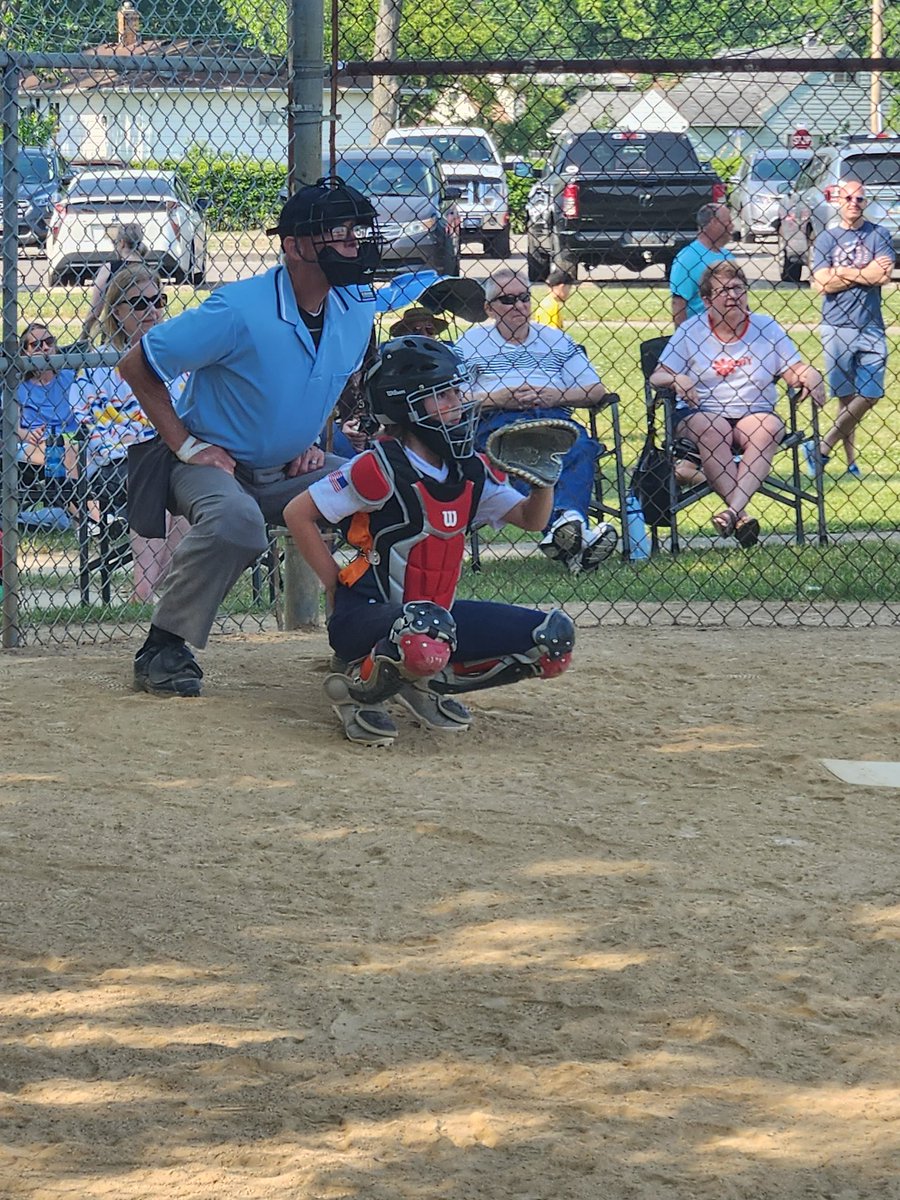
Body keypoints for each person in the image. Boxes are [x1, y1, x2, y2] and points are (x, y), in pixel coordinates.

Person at [117, 178, 381, 697]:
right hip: (209, 466)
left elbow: (329, 378)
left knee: (378, 492)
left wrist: (311, 440)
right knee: (237, 522)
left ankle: (366, 631)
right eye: (339, 232)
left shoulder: (355, 307)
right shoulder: (239, 309)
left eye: (357, 230)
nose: (355, 243)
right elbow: (137, 364)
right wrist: (185, 445)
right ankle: (163, 647)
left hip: (287, 471)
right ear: (297, 246)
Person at [283, 335, 576, 747]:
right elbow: (298, 513)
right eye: (444, 395)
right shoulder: (378, 466)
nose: (458, 401)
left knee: (552, 641)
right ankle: (355, 687)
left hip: (434, 619)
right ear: (406, 405)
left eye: (457, 390)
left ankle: (417, 681)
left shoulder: (468, 469)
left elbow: (531, 520)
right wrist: (333, 584)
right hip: (366, 613)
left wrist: (544, 483)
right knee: (425, 631)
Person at [650, 261, 825, 547]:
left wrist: (811, 374)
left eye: (738, 288)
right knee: (713, 427)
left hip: (753, 411)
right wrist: (677, 379)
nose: (732, 296)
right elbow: (657, 376)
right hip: (700, 413)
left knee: (768, 427)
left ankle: (732, 513)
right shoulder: (691, 331)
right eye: (723, 291)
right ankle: (740, 514)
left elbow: (793, 370)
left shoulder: (765, 327)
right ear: (706, 301)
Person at [454, 268, 616, 573]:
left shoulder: (555, 340)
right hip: (498, 422)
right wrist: (497, 398)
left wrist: (556, 395)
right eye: (508, 300)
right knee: (520, 450)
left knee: (581, 446)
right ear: (489, 308)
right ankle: (573, 531)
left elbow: (596, 390)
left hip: (554, 417)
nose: (519, 306)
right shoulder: (470, 344)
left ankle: (566, 531)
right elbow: (453, 401)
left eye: (525, 298)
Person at [69, 263, 190, 601]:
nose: (151, 310)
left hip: (178, 453)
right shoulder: (99, 363)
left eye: (158, 300)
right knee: (158, 472)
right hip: (120, 459)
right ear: (117, 311)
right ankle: (144, 590)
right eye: (139, 303)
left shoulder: (179, 356)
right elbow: (92, 422)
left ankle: (149, 591)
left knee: (189, 489)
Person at [807, 179, 894, 480]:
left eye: (859, 199)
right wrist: (862, 273)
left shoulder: (878, 234)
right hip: (836, 325)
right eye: (848, 198)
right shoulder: (826, 239)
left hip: (871, 325)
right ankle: (850, 462)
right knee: (845, 398)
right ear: (838, 201)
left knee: (871, 393)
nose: (854, 204)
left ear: (865, 202)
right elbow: (820, 283)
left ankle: (822, 445)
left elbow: (883, 274)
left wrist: (841, 271)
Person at [16, 324, 77, 521]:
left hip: (72, 439)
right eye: (36, 344)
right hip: (32, 442)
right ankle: (88, 518)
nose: (44, 348)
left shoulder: (71, 377)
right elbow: (13, 427)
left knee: (69, 449)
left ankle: (71, 513)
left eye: (49, 342)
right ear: (25, 352)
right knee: (63, 451)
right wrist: (29, 434)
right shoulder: (18, 387)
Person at [80, 223, 147, 343]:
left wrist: (83, 339)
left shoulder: (109, 268)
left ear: (121, 243)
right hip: (144, 336)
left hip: (115, 336)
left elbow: (95, 312)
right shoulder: (149, 271)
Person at [669, 203, 734, 327]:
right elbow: (678, 303)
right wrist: (683, 338)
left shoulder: (728, 256)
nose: (732, 226)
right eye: (728, 221)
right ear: (714, 222)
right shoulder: (688, 258)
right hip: (701, 335)